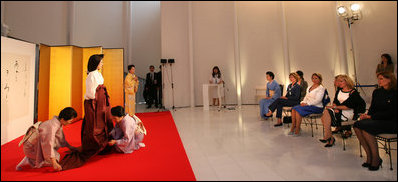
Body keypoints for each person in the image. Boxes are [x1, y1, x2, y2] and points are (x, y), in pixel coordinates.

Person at [60, 54, 114, 170]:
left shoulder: (98, 74)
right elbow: (90, 93)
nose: (102, 64)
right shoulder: (91, 76)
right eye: (101, 62)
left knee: (103, 122)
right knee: (93, 124)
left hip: (100, 102)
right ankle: (93, 145)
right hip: (93, 103)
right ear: (96, 63)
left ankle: (102, 145)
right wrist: (98, 98)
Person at [353, 71, 397, 171]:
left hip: (391, 122)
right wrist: (367, 115)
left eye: (381, 79)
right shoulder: (377, 92)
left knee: (367, 128)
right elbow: (373, 108)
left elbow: (392, 112)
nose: (379, 81)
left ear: (389, 79)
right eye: (378, 78)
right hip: (377, 120)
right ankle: (370, 155)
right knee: (356, 125)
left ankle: (376, 158)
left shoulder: (395, 93)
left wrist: (371, 117)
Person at [16, 107, 78, 171]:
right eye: (70, 121)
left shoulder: (57, 122)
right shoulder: (52, 126)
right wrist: (54, 163)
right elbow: (48, 143)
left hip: (35, 145)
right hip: (31, 148)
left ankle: (32, 158)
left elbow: (61, 139)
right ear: (63, 119)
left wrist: (71, 147)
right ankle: (31, 160)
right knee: (56, 158)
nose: (70, 122)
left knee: (56, 156)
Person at [319, 74, 366, 147]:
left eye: (341, 81)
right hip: (339, 110)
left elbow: (348, 106)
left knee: (326, 113)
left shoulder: (353, 92)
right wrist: (335, 107)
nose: (339, 83)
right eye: (338, 81)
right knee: (325, 113)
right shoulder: (339, 91)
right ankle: (329, 137)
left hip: (348, 113)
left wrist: (335, 108)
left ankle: (328, 137)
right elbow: (335, 101)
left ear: (347, 81)